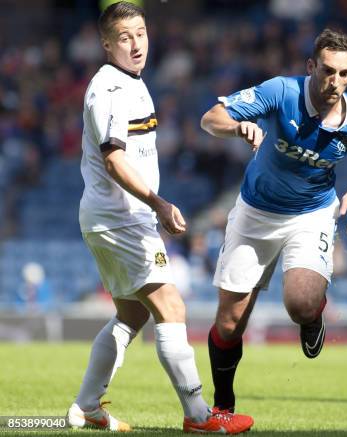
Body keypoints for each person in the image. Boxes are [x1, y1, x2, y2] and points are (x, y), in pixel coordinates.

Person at [67, 2, 253, 433]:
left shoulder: (131, 82)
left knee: (132, 316)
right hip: (122, 218)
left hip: (115, 217)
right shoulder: (111, 89)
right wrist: (159, 203)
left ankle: (87, 407)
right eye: (125, 37)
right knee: (172, 305)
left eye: (141, 33)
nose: (136, 44)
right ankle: (199, 417)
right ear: (107, 44)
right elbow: (113, 160)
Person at [200, 28, 347, 415]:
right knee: (230, 322)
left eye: (345, 73)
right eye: (328, 70)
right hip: (255, 210)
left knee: (301, 302)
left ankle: (312, 319)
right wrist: (238, 126)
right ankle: (223, 405)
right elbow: (210, 118)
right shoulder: (281, 92)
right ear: (311, 66)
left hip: (312, 213)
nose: (335, 81)